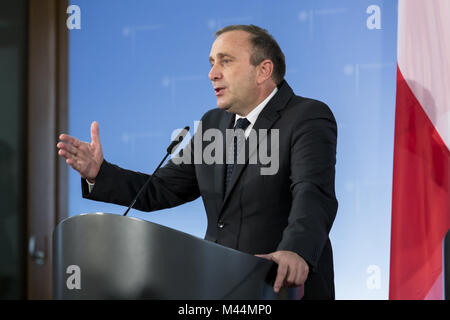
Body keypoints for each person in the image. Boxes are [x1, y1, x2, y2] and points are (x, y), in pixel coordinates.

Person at [57, 24, 338, 299]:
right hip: (221, 287)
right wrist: (99, 173)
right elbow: (160, 189)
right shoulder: (212, 124)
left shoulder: (307, 116)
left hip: (281, 286)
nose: (212, 74)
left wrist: (296, 249)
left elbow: (312, 192)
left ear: (263, 70)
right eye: (212, 63)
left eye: (225, 61)